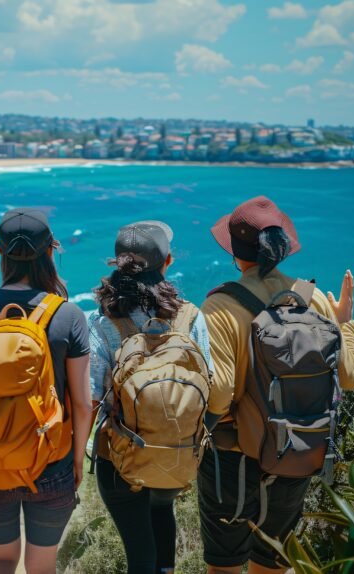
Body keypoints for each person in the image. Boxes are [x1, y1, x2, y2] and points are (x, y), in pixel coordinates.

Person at [198, 196, 354, 574]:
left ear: (236, 253)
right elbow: (350, 378)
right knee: (273, 560)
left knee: (225, 564)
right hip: (296, 450)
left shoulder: (219, 307)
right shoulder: (314, 298)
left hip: (234, 458)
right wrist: (346, 323)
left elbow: (220, 395)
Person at [0, 208, 92, 574]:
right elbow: (83, 403)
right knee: (41, 566)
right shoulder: (68, 315)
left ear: (0, 251)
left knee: (1, 560)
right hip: (51, 460)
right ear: (49, 251)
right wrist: (74, 460)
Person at [88, 221, 217, 574]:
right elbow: (212, 385)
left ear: (118, 265)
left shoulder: (102, 321)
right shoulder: (190, 317)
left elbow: (92, 396)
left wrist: (72, 459)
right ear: (168, 261)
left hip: (119, 459)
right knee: (162, 516)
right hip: (176, 455)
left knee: (139, 556)